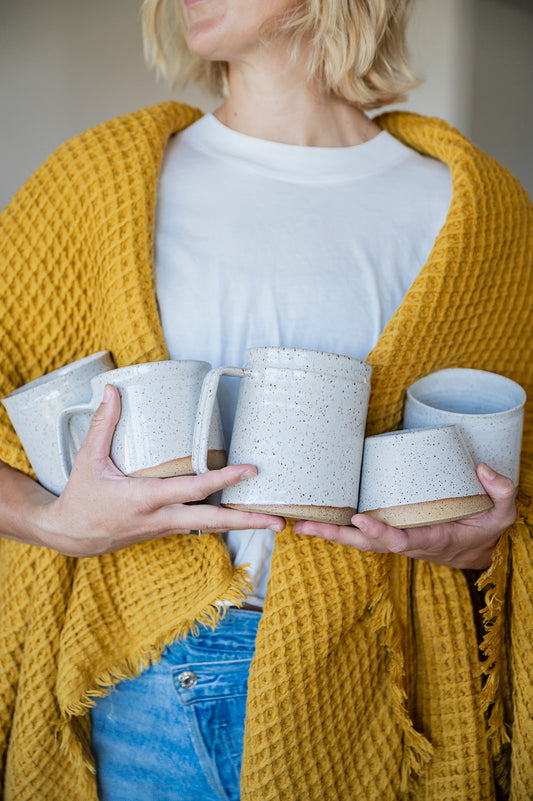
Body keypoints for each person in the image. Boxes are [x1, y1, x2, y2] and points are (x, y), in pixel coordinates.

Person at [0, 0, 531, 799]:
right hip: (142, 678)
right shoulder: (99, 181)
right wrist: (51, 521)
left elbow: (510, 486)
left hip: (381, 687)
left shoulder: (477, 210)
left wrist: (480, 547)